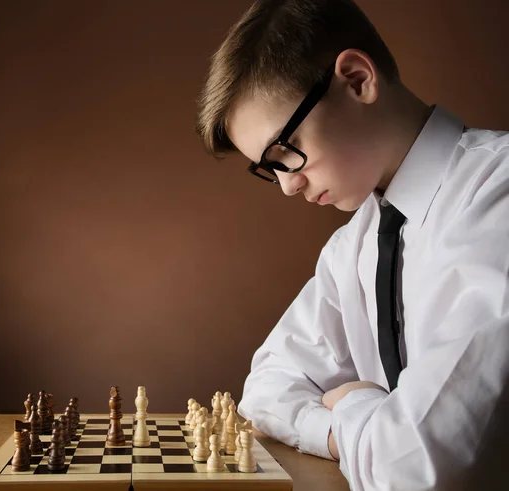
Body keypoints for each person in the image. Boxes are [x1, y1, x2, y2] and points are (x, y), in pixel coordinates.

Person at [195, 1, 509, 489]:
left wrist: (350, 403)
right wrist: (351, 431)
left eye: (286, 151)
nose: (287, 187)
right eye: (269, 169)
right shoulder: (354, 244)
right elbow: (266, 388)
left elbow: (420, 466)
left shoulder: (498, 195)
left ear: (358, 79)